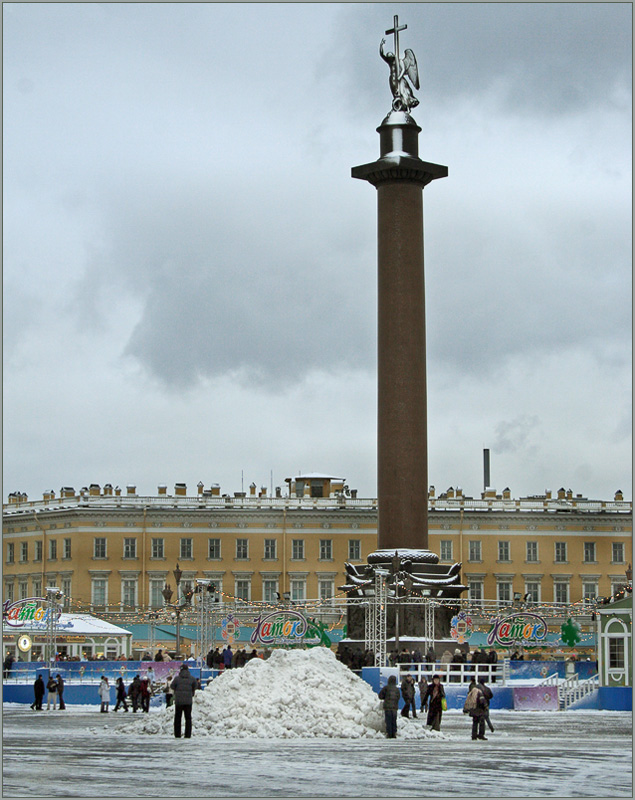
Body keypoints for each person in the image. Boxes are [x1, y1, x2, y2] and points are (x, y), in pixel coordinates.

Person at [170, 663, 198, 738]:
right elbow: (196, 685)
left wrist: (177, 690)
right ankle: (188, 734)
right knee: (188, 718)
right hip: (188, 701)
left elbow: (172, 686)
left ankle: (177, 734)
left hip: (179, 701)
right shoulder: (192, 678)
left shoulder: (177, 679)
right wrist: (191, 691)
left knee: (178, 718)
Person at [378, 674, 400, 738]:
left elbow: (380, 696)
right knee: (394, 720)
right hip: (394, 707)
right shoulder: (397, 689)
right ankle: (394, 733)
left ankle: (389, 733)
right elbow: (398, 697)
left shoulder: (386, 688)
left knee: (388, 720)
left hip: (387, 707)